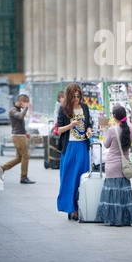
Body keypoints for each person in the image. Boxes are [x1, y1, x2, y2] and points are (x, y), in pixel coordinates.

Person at [96, 105, 132, 226]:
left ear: (114, 116)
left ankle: (114, 218)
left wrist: (104, 130)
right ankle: (125, 218)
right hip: (124, 164)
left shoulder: (112, 130)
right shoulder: (131, 129)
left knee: (112, 193)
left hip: (112, 164)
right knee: (124, 192)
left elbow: (106, 145)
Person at [56, 83, 92, 220]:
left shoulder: (85, 107)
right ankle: (70, 208)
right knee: (69, 178)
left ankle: (78, 207)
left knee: (81, 179)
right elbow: (59, 130)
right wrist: (71, 125)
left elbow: (88, 123)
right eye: (74, 96)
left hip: (82, 145)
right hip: (69, 146)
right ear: (69, 96)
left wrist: (88, 130)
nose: (77, 99)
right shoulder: (63, 109)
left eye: (79, 96)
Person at [0, 94, 35, 184]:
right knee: (25, 156)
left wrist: (25, 132)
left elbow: (19, 123)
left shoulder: (17, 109)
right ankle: (23, 177)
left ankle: (2, 168)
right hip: (17, 136)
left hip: (20, 135)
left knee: (19, 158)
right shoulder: (13, 110)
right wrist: (26, 108)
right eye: (26, 103)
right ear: (22, 102)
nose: (27, 105)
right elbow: (20, 116)